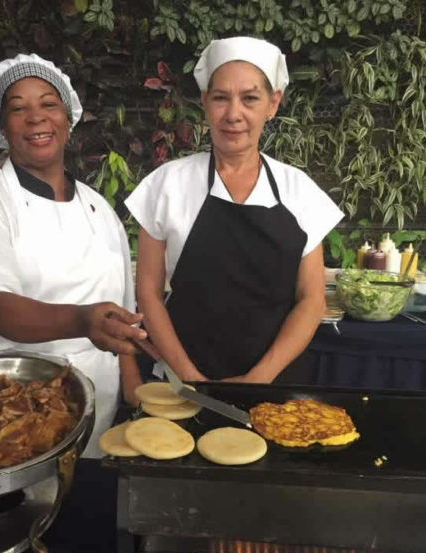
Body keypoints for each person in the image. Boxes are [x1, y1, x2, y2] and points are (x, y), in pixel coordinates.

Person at [0, 54, 145, 457]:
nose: (36, 118)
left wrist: (134, 391)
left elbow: (120, 305)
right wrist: (81, 319)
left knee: (85, 503)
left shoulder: (97, 207)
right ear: (2, 128)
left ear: (67, 120)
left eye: (49, 104)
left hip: (94, 399)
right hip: (5, 402)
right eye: (18, 108)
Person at [125, 37, 343, 384]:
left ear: (273, 104)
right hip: (182, 384)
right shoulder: (167, 185)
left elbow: (311, 299)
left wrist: (258, 379)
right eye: (221, 98)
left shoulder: (298, 191)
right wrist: (188, 376)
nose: (233, 114)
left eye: (250, 98)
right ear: (204, 102)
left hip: (275, 385)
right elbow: (148, 294)